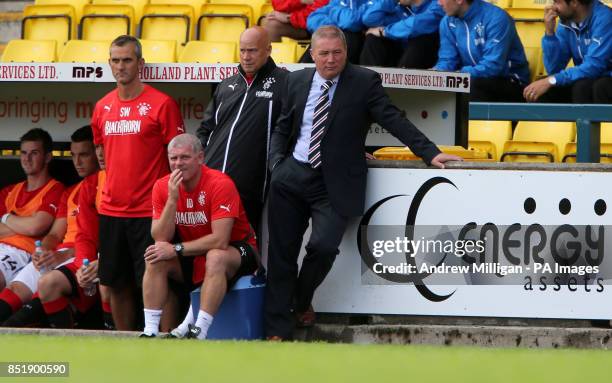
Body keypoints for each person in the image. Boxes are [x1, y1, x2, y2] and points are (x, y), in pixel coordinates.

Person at [265, 25, 461, 340]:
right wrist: (277, 164)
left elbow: (393, 119)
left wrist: (430, 152)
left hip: (335, 184)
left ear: (346, 52)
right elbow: (282, 125)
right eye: (324, 54)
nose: (331, 60)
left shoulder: (364, 81)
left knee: (324, 246)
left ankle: (299, 301)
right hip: (291, 177)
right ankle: (276, 330)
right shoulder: (296, 80)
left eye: (337, 53)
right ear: (312, 54)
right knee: (281, 255)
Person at [91, 35, 185, 330]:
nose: (121, 66)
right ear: (109, 64)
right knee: (116, 285)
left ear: (140, 63)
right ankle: (124, 343)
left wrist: (169, 203)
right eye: (115, 60)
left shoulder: (162, 104)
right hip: (111, 211)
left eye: (127, 60)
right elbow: (99, 150)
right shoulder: (102, 107)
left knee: (157, 281)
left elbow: (178, 158)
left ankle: (164, 342)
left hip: (150, 213)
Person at [140, 134, 259, 339]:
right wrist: (172, 200)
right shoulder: (163, 186)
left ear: (200, 158)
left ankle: (200, 330)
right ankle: (150, 330)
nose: (178, 164)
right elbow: (160, 236)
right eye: (173, 158)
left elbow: (220, 240)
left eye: (185, 157)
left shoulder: (220, 183)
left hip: (237, 250)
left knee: (215, 256)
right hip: (196, 254)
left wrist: (176, 249)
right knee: (155, 256)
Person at [0, 126, 99, 326]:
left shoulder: (104, 187)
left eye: (84, 155)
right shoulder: (70, 191)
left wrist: (5, 219)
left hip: (83, 257)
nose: (77, 162)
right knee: (15, 291)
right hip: (59, 254)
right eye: (73, 155)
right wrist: (44, 249)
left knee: (46, 287)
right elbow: (55, 233)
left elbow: (37, 227)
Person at [197, 27, 287, 234]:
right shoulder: (227, 85)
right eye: (243, 50)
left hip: (249, 186)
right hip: (211, 182)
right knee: (205, 244)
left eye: (253, 51)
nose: (246, 57)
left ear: (268, 50)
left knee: (241, 248)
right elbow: (206, 128)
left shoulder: (285, 83)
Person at [0, 128, 64, 292]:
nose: (26, 159)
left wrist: (6, 217)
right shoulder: (9, 191)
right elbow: (29, 226)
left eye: (34, 153)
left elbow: (36, 226)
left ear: (47, 157)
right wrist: (24, 225)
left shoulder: (55, 189)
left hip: (23, 252)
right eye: (23, 153)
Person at [433, 0, 530, 101]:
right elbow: (447, 60)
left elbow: (492, 67)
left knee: (470, 86)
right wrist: (435, 74)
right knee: (431, 87)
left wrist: (457, 76)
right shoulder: (447, 22)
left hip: (511, 82)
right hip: (471, 79)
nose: (439, 3)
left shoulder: (496, 18)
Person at [523, 0, 612, 103]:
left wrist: (552, 80)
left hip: (605, 78)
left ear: (574, 2)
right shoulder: (566, 23)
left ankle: (586, 119)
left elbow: (594, 66)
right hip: (589, 78)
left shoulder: (604, 18)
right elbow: (554, 69)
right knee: (541, 90)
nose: (553, 7)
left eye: (557, 2)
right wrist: (549, 34)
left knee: (589, 87)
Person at [359, 0, 444, 68]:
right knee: (373, 38)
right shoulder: (400, 8)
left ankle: (402, 86)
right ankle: (368, 81)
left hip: (428, 57)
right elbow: (369, 19)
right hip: (401, 54)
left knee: (421, 39)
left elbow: (418, 24)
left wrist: (384, 31)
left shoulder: (438, 4)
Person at [305, 0, 369, 63]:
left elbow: (350, 21)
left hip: (361, 40)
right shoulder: (339, 1)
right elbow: (312, 20)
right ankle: (305, 69)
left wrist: (334, 13)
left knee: (346, 36)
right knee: (325, 36)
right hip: (341, 38)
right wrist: (337, 25)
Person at [264, 0, 330, 42]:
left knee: (273, 25)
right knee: (271, 22)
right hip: (298, 23)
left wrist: (289, 18)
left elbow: (319, 13)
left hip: (319, 26)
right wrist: (299, 1)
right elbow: (277, 3)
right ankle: (273, 61)